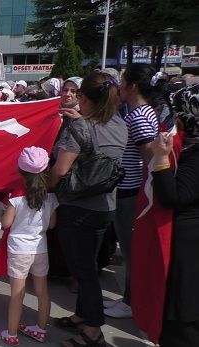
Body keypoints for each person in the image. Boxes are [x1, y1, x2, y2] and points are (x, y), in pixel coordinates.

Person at [49, 71, 128, 347]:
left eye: (79, 94)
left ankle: (93, 331)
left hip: (78, 207)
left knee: (83, 272)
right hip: (105, 207)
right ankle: (82, 315)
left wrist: (43, 186)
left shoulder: (79, 127)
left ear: (85, 97)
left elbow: (60, 169)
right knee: (89, 266)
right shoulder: (119, 124)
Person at [103, 64, 160, 319]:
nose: (119, 86)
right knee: (127, 248)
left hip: (130, 192)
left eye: (123, 81)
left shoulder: (139, 116)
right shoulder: (136, 113)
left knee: (130, 249)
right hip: (127, 190)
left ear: (132, 86)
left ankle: (132, 302)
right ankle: (128, 297)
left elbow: (151, 159)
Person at [0, 146, 58, 346]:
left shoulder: (16, 197)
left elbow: (5, 223)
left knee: (17, 293)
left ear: (21, 171)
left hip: (19, 250)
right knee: (43, 291)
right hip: (40, 248)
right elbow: (52, 225)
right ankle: (40, 330)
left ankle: (11, 333)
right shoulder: (50, 196)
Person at [153, 84, 199, 347]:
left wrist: (161, 160)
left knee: (183, 322)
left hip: (190, 249)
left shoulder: (195, 158)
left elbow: (174, 197)